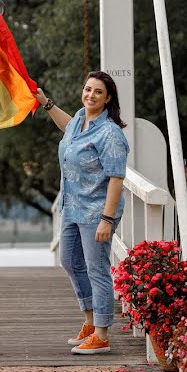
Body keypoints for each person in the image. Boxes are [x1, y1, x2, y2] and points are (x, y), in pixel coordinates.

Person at [34, 71, 130, 355]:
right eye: (88, 89)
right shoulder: (80, 119)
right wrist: (47, 104)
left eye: (98, 92)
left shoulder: (110, 134)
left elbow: (116, 178)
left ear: (108, 98)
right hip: (71, 207)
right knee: (69, 260)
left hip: (96, 213)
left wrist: (107, 219)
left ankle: (102, 334)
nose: (91, 95)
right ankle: (89, 322)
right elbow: (68, 128)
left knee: (97, 268)